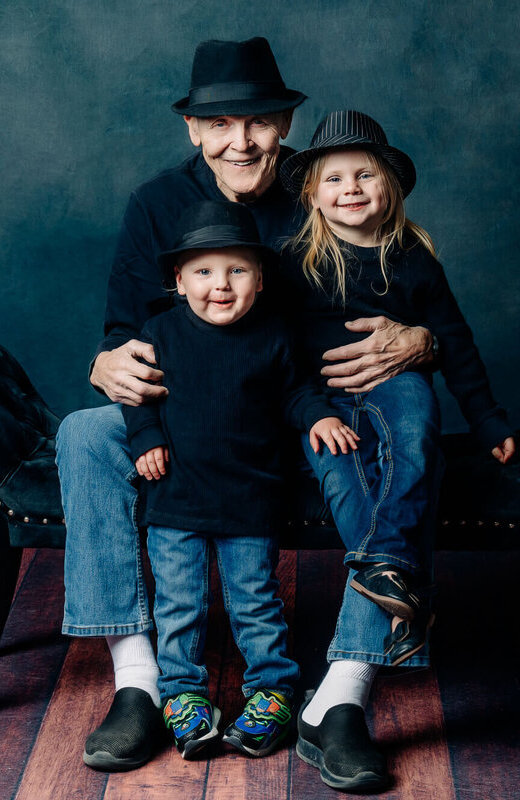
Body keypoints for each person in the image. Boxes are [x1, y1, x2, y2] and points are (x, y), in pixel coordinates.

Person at [55, 38, 433, 788]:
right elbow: (120, 329)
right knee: (83, 433)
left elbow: (412, 283)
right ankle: (140, 683)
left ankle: (342, 696)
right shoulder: (155, 205)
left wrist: (420, 339)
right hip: (196, 413)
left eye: (258, 122)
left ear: (286, 124)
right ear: (192, 130)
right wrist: (105, 362)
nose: (241, 141)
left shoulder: (322, 188)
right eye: (220, 124)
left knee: (405, 415)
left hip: (319, 399)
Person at [276, 109, 516, 790]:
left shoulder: (412, 258)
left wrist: (490, 419)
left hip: (395, 386)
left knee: (416, 425)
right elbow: (280, 354)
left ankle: (386, 567)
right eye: (335, 178)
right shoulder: (297, 260)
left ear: (391, 187)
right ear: (313, 194)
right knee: (348, 481)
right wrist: (314, 411)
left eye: (365, 175)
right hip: (324, 406)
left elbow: (457, 341)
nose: (351, 188)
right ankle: (397, 589)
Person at [123, 200, 358, 760]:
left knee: (254, 600)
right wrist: (145, 440)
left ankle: (272, 689)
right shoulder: (159, 331)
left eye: (237, 270)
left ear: (260, 278)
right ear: (178, 281)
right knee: (178, 604)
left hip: (250, 497)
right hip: (175, 499)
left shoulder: (275, 336)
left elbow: (297, 391)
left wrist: (320, 415)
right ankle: (181, 693)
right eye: (203, 272)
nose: (219, 285)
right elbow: (136, 398)